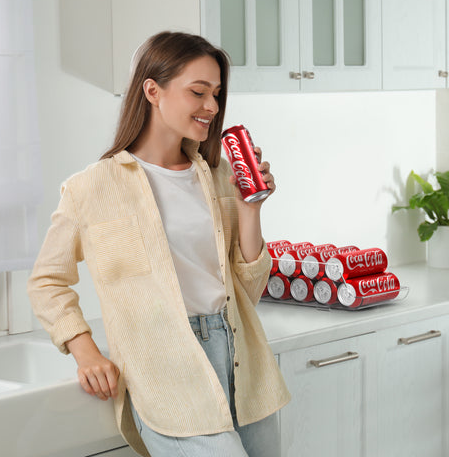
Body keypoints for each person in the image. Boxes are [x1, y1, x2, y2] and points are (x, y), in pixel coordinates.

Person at [28, 31, 290, 457]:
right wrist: (85, 350)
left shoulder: (219, 174)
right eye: (198, 92)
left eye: (217, 93)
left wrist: (250, 208)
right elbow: (47, 281)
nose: (212, 107)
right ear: (152, 90)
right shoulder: (91, 188)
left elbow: (249, 291)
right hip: (166, 373)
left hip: (243, 358)